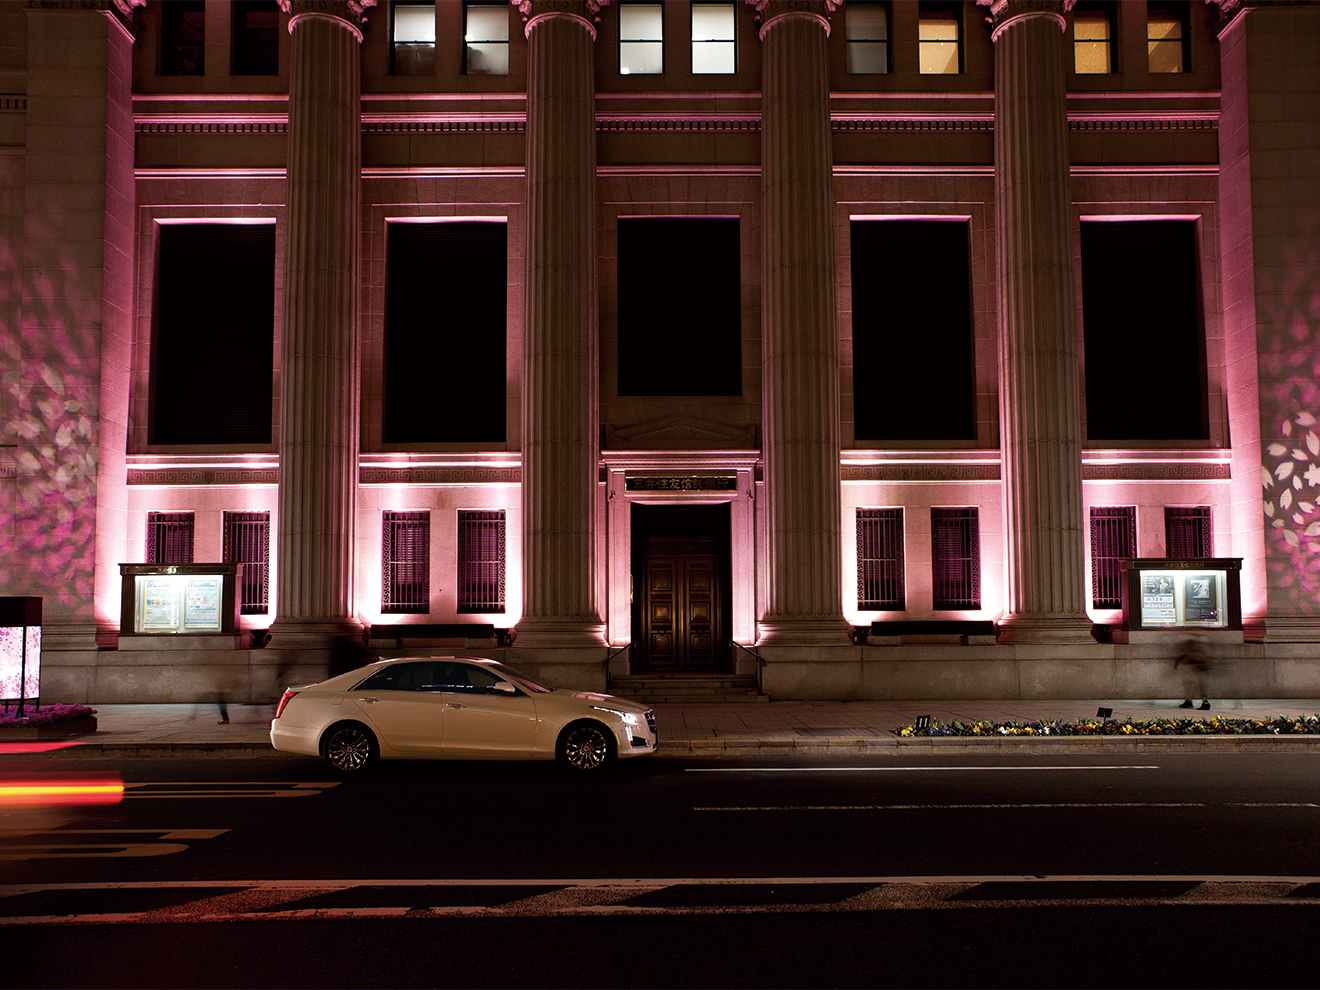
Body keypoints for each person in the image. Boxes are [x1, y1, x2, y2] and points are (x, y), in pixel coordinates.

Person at [1175, 635, 1213, 711]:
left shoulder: (1196, 645)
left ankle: (1204, 702)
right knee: (1190, 684)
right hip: (1194, 667)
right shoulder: (1198, 644)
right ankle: (1189, 700)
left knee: (1199, 685)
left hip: (1197, 667)